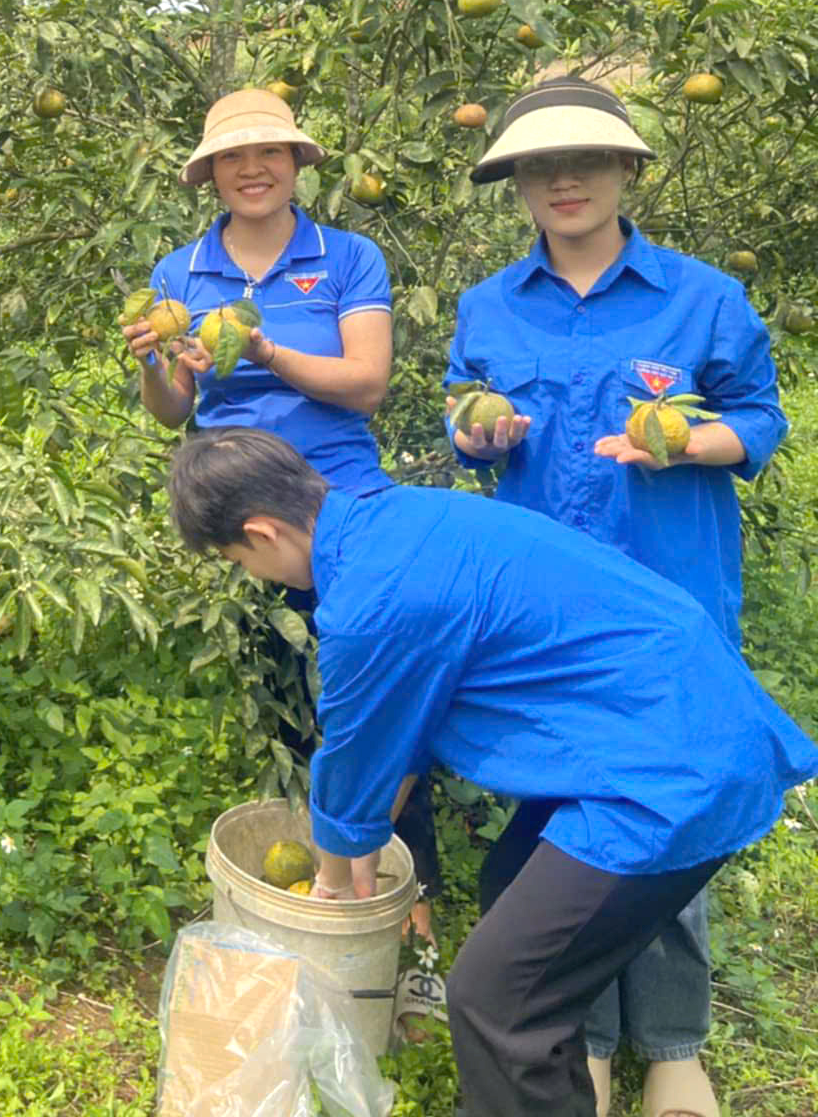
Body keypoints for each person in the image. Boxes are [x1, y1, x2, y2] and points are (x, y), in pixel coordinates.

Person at [165, 426, 818, 1117]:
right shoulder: (406, 518)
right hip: (654, 720)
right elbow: (397, 743)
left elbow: (355, 764)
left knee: (499, 997)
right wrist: (351, 850)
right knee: (508, 891)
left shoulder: (369, 599)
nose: (252, 575)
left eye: (239, 559)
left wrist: (329, 885)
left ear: (261, 533)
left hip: (667, 766)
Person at [444, 76, 789, 1117]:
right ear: (515, 182)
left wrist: (683, 438)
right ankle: (581, 1033)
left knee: (674, 811)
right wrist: (479, 429)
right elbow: (465, 423)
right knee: (564, 819)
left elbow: (759, 422)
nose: (564, 179)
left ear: (627, 168)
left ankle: (675, 1043)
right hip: (544, 623)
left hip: (670, 604)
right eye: (541, 165)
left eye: (585, 160)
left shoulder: (701, 297)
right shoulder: (489, 306)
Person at [121, 87, 442, 942]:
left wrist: (261, 348)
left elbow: (366, 384)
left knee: (374, 701)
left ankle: (407, 903)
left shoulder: (346, 256)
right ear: (212, 175)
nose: (251, 169)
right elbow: (171, 408)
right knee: (288, 704)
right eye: (233, 157)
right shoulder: (180, 273)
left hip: (341, 506)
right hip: (243, 516)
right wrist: (156, 366)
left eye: (268, 153)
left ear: (297, 164)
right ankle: (316, 887)